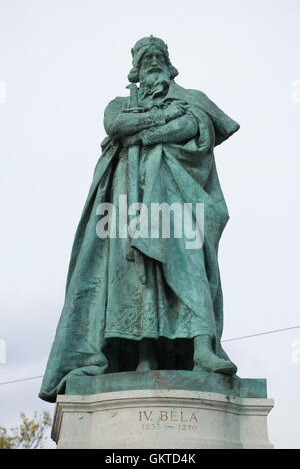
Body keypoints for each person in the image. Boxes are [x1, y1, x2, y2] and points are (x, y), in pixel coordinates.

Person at [39, 36, 239, 403]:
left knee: (190, 268)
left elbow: (193, 128)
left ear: (169, 65)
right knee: (136, 280)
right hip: (127, 208)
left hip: (180, 205)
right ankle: (143, 356)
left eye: (158, 57)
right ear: (135, 68)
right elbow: (116, 126)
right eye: (145, 59)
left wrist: (147, 130)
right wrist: (155, 122)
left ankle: (202, 349)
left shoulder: (189, 100)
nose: (152, 63)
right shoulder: (119, 104)